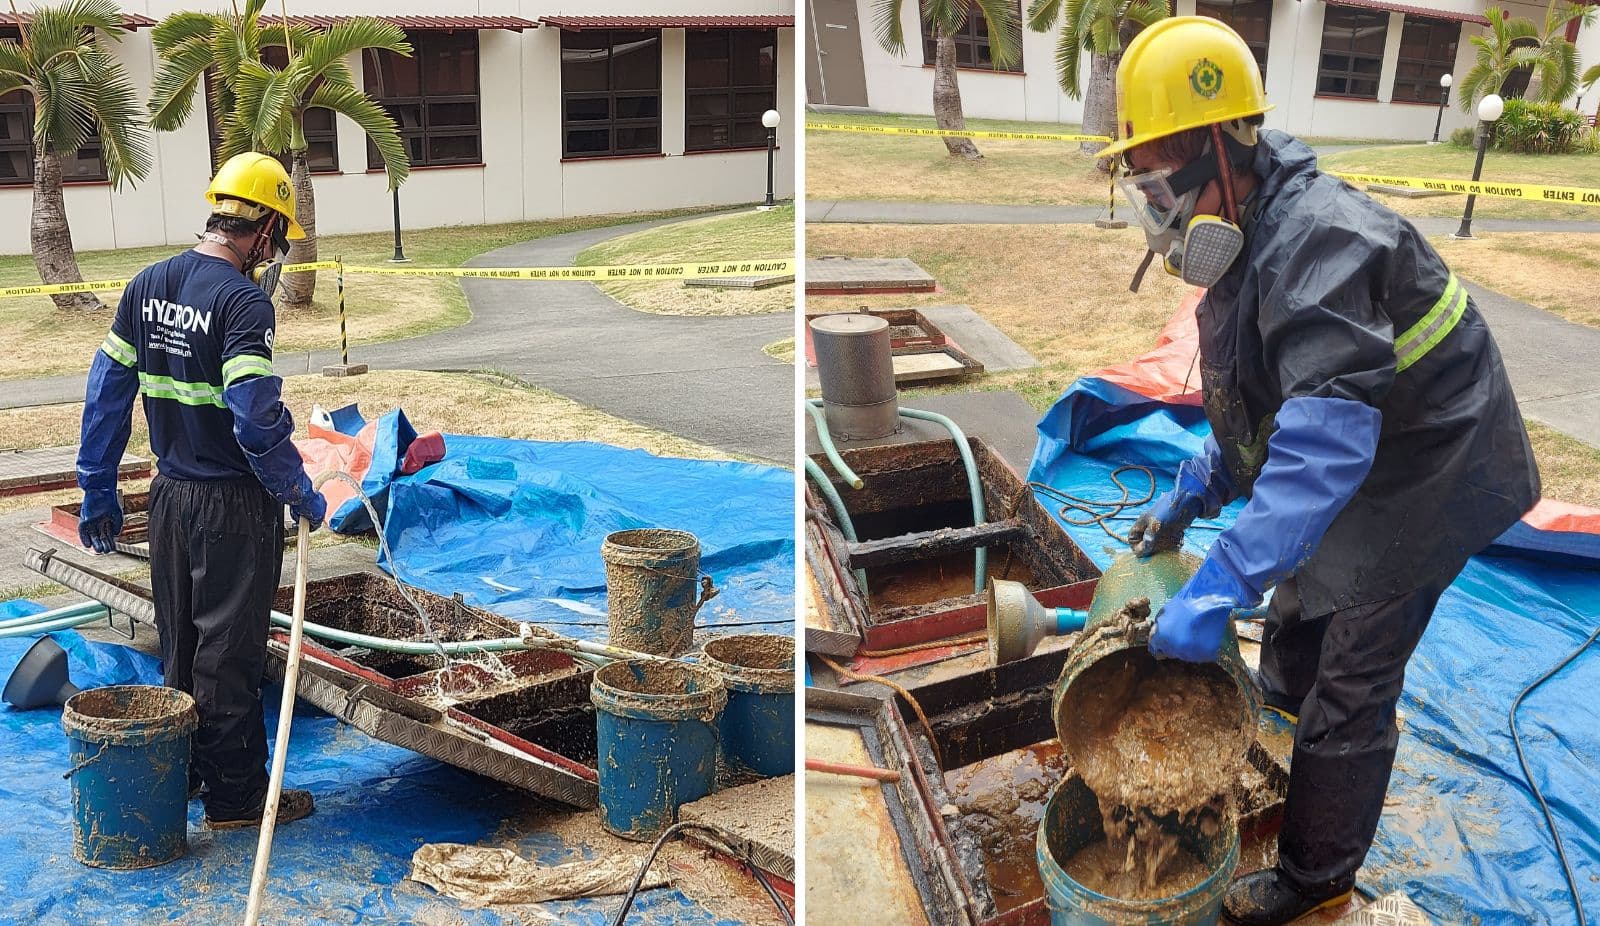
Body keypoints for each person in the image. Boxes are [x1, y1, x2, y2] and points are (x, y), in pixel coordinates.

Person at [1102, 17, 1540, 925]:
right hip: (1367, 441)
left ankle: (1315, 880)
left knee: (1354, 677)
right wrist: (1195, 491)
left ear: (1225, 148)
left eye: (1161, 179)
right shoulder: (1245, 232)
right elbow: (1266, 401)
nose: (1154, 207)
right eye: (1141, 182)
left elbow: (1323, 446)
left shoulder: (1319, 242)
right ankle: (1281, 729)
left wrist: (1222, 581)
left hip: (1431, 461)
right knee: (1297, 603)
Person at [76, 151, 327, 829]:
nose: (274, 253)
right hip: (231, 506)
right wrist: (296, 487)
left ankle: (182, 772)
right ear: (265, 229)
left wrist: (97, 486)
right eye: (277, 238)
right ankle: (237, 801)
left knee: (180, 641)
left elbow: (106, 395)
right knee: (228, 655)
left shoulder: (147, 285)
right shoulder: (242, 302)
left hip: (170, 497)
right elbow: (254, 415)